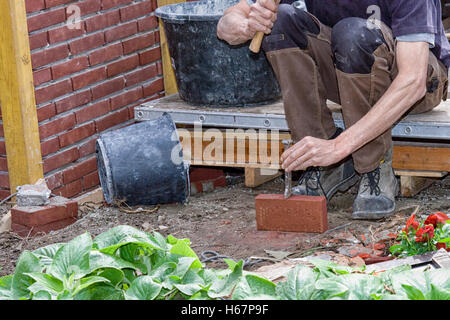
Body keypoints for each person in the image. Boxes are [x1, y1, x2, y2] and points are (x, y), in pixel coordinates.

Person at [217, 0, 450, 220]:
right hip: (348, 71)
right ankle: (322, 163)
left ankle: (374, 166)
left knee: (354, 32)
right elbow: (226, 23)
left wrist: (340, 147)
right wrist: (247, 25)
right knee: (281, 23)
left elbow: (413, 82)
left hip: (417, 84)